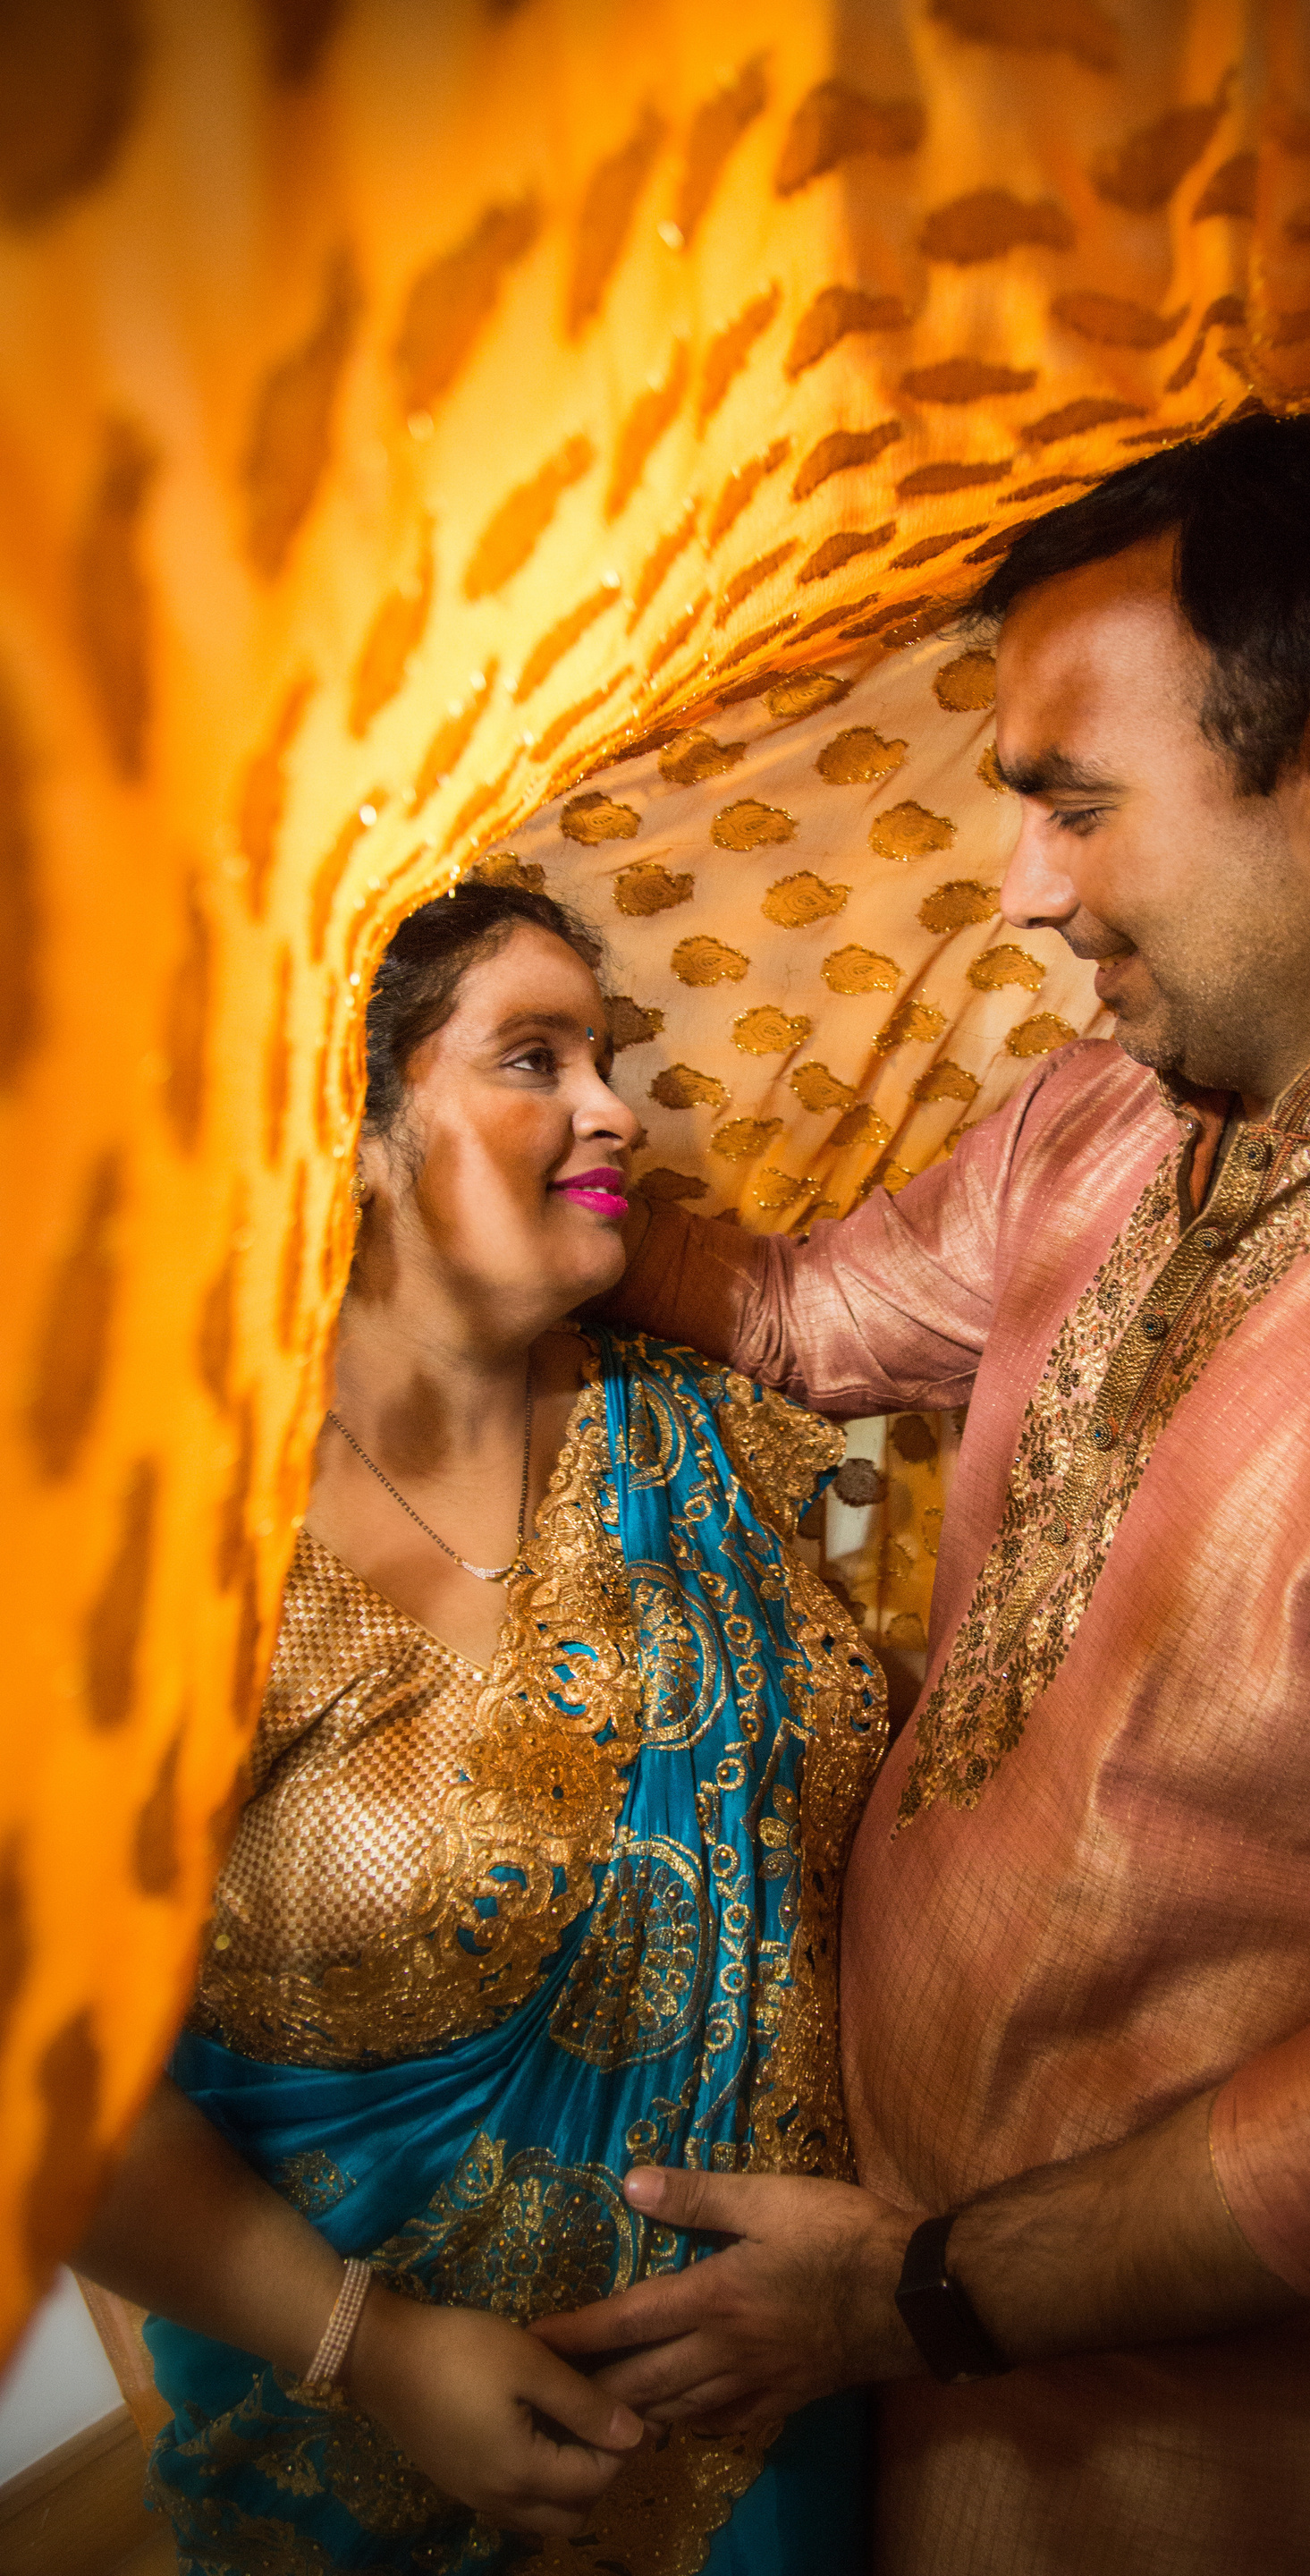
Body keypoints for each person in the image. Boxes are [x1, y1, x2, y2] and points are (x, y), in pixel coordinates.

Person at [537, 416, 1310, 2574]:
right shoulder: (1104, 1114)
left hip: (1245, 2451)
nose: (1024, 889)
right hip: (903, 2297)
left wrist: (914, 2299)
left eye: (1075, 806)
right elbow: (809, 1312)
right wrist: (551, 1202)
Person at [72, 875, 885, 2573]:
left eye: (609, 1059)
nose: (615, 1111)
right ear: (352, 1127)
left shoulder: (701, 1437)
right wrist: (368, 2349)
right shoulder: (166, 1560)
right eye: (535, 1058)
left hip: (777, 2409)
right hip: (365, 2450)